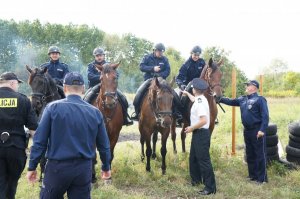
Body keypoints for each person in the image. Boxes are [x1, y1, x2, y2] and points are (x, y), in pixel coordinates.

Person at [26, 72, 111, 199]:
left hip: (57, 168)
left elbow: (39, 141)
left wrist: (32, 166)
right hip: (83, 169)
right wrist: (106, 166)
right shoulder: (96, 113)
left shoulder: (51, 108)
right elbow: (104, 145)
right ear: (83, 88)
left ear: (65, 88)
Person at [218, 80, 269, 184]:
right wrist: (219, 98)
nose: (246, 86)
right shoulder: (242, 99)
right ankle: (252, 176)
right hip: (247, 130)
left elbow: (265, 116)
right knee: (250, 153)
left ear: (254, 87)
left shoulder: (260, 100)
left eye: (248, 85)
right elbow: (230, 101)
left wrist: (262, 130)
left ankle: (261, 179)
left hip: (257, 130)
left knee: (259, 154)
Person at [0, 72, 38, 199]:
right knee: (11, 185)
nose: (18, 87)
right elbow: (33, 129)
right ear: (12, 83)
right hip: (16, 150)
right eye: (17, 84)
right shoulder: (23, 100)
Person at [182, 78, 216, 195]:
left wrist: (191, 128)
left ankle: (210, 188)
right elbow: (194, 99)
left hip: (201, 133)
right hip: (198, 133)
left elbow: (203, 120)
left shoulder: (200, 102)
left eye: (191, 88)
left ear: (194, 89)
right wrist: (186, 94)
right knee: (194, 158)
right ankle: (196, 180)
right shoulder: (200, 98)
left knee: (204, 161)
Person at [131, 43, 181, 121]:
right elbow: (141, 67)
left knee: (173, 94)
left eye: (162, 51)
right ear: (154, 50)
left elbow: (168, 71)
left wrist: (160, 75)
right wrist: (153, 68)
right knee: (138, 94)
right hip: (149, 80)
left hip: (161, 81)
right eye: (159, 51)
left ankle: (176, 113)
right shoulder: (147, 57)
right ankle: (137, 113)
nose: (160, 53)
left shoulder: (165, 59)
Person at [84, 47, 133, 126]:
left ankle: (125, 118)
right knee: (85, 99)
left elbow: (117, 74)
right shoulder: (91, 66)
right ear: (95, 57)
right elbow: (90, 76)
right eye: (97, 56)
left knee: (123, 98)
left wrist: (108, 79)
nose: (99, 57)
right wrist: (103, 77)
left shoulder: (110, 65)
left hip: (109, 86)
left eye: (100, 55)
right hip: (95, 86)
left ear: (104, 56)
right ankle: (83, 118)